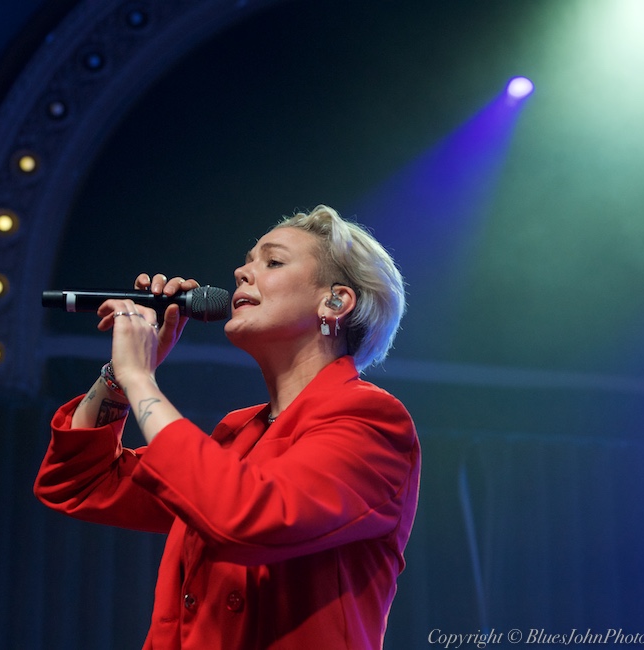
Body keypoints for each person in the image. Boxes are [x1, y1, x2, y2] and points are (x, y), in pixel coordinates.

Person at [34, 205, 420, 649]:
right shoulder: (239, 434)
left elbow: (248, 516)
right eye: (247, 260)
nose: (241, 271)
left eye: (272, 262)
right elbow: (80, 481)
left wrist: (141, 377)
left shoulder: (372, 420)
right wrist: (120, 380)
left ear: (335, 301)